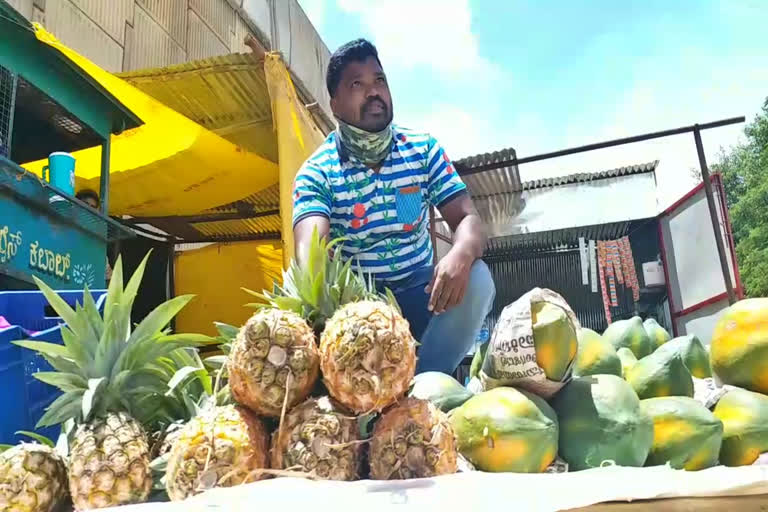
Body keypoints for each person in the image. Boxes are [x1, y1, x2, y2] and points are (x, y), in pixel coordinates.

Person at [291, 39, 495, 376]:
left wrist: (460, 254)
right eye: (358, 84)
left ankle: (428, 386)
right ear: (335, 105)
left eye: (379, 81)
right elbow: (311, 253)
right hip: (360, 310)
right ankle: (370, 393)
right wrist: (348, 311)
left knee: (478, 278)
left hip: (422, 293)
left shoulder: (422, 150)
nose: (374, 92)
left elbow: (468, 219)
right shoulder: (318, 172)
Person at [75, 189, 113, 283]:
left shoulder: (96, 243)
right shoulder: (63, 228)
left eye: (93, 207)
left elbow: (109, 277)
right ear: (75, 205)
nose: (89, 209)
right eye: (85, 204)